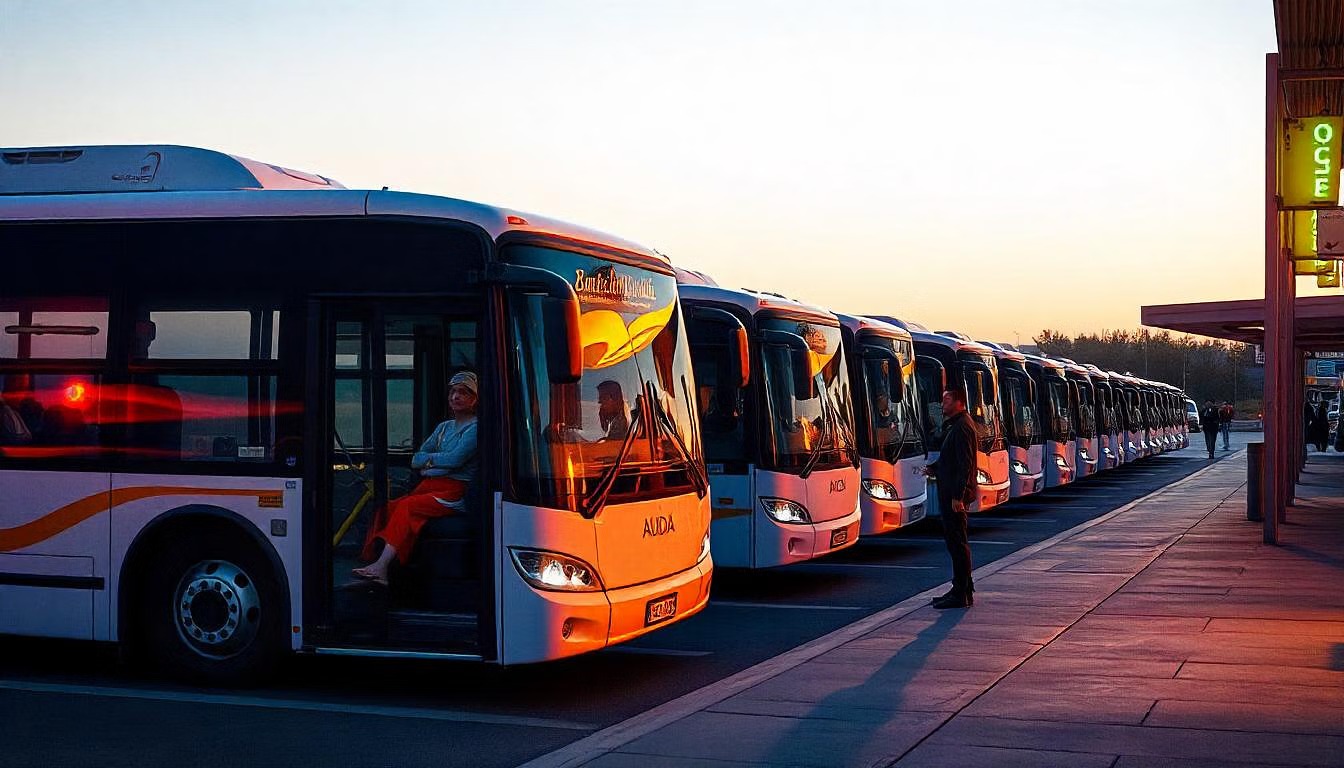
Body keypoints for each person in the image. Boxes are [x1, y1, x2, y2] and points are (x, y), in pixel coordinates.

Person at [353, 371, 479, 586]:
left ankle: (382, 568)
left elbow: (455, 460)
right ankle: (374, 562)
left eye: (463, 393)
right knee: (388, 507)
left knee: (409, 507)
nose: (456, 396)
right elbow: (416, 459)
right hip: (429, 486)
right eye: (453, 392)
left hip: (455, 491)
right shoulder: (443, 427)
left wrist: (430, 467)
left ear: (474, 399)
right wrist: (435, 464)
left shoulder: (476, 428)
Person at [919, 386, 978, 609]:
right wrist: (934, 468)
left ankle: (961, 593)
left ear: (958, 402)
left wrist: (958, 496)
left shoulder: (963, 427)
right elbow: (952, 460)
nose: (942, 404)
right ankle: (962, 588)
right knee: (955, 543)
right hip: (952, 491)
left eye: (946, 400)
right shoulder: (957, 425)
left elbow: (965, 464)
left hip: (955, 496)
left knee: (957, 543)